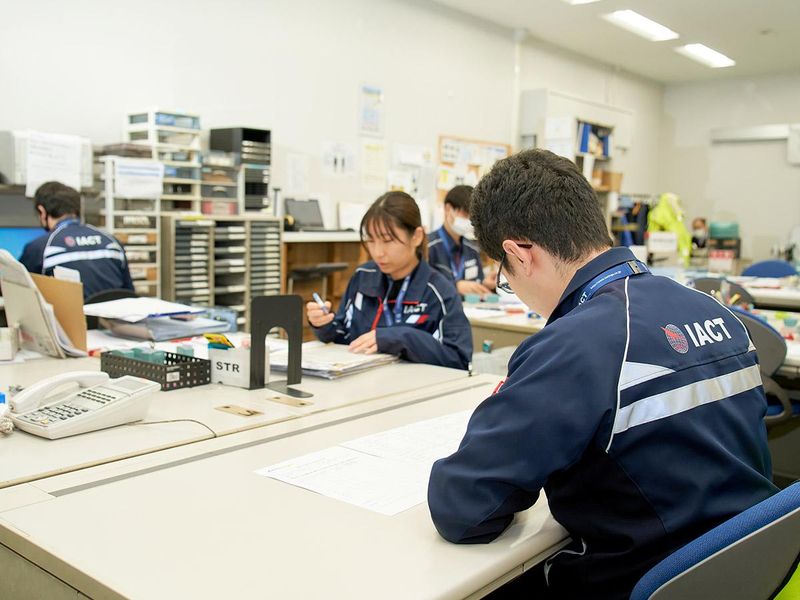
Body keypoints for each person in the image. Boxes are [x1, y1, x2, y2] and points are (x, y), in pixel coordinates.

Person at [427, 149, 776, 599]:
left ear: (519, 253)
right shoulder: (718, 312)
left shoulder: (575, 343)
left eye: (505, 274)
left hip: (642, 583)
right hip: (749, 571)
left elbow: (463, 507)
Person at [306, 191, 472, 370]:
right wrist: (323, 325)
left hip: (414, 390)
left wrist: (400, 338)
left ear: (416, 236)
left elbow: (458, 360)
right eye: (371, 240)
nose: (378, 252)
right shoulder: (363, 277)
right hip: (361, 384)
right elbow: (343, 337)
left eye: (387, 241)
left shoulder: (438, 291)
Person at [19, 181, 134, 300]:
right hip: (114, 317)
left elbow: (19, 294)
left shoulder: (40, 247)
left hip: (72, 318)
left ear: (42, 211)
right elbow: (129, 294)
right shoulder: (112, 241)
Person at [428, 185, 495, 296]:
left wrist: (484, 284)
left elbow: (476, 284)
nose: (469, 220)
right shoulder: (428, 246)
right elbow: (419, 285)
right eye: (465, 213)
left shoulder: (472, 250)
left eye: (472, 216)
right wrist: (455, 286)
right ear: (448, 209)